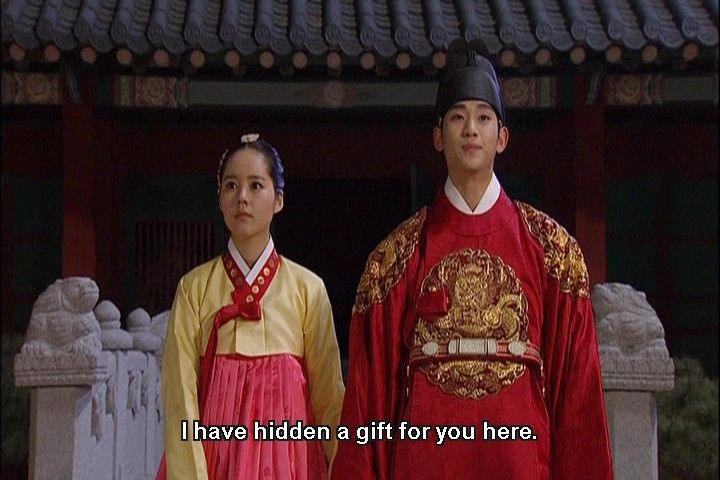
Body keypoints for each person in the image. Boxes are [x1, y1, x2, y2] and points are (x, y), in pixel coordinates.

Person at [332, 42, 614, 480]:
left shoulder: (552, 252)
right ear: (437, 136)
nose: (470, 130)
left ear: (502, 137)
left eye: (483, 118)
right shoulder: (395, 259)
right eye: (457, 117)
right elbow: (368, 409)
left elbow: (578, 405)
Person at [157, 134, 346, 479]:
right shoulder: (193, 290)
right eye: (231, 186)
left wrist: (344, 467)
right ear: (219, 198)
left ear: (279, 200)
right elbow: (179, 398)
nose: (242, 197)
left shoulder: (308, 289)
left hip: (291, 462)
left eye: (256, 185)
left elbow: (330, 399)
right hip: (216, 460)